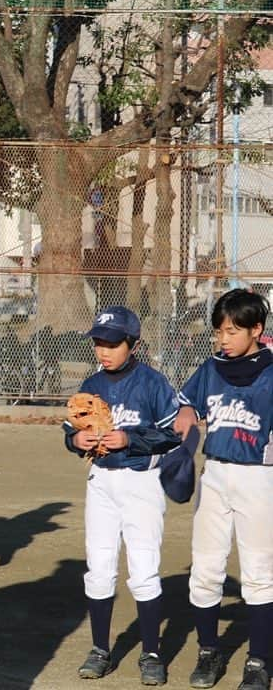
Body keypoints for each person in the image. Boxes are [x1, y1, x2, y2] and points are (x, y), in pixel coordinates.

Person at [63, 306, 181, 685]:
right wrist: (75, 439)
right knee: (99, 570)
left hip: (141, 485)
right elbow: (71, 432)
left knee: (144, 571)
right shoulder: (92, 384)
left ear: (134, 344)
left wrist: (131, 438)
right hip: (101, 483)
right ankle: (100, 649)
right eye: (99, 342)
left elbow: (173, 434)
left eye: (113, 343)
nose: (104, 350)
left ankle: (150, 653)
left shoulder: (152, 383)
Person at [175, 288, 273, 690]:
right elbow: (186, 404)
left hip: (259, 478)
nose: (223, 339)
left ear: (257, 330)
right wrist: (184, 420)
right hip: (214, 475)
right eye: (219, 331)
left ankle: (259, 661)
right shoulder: (212, 368)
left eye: (233, 331)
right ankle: (209, 652)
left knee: (259, 574)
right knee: (206, 569)